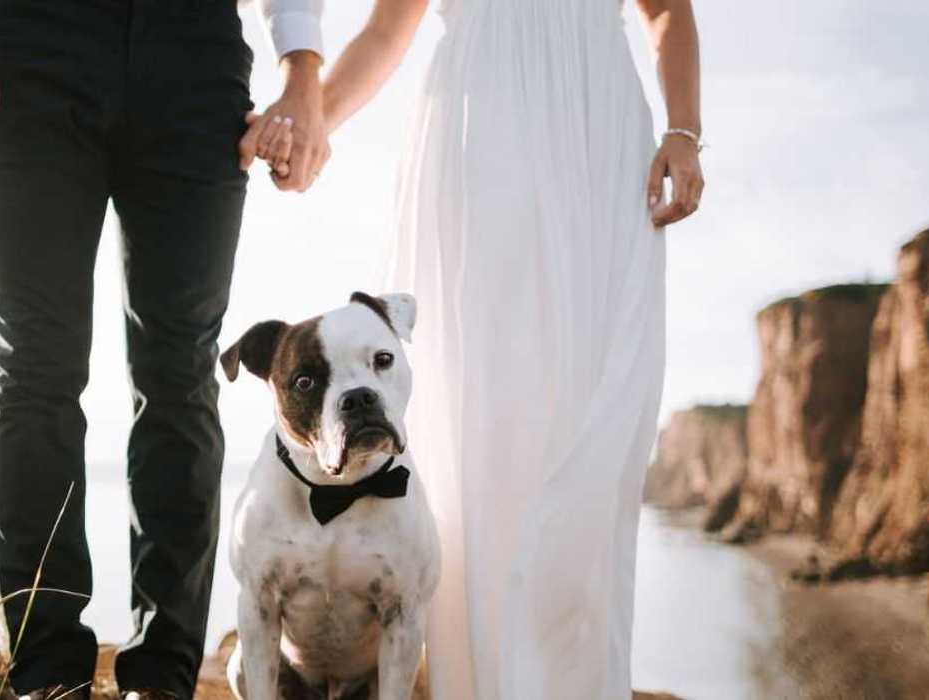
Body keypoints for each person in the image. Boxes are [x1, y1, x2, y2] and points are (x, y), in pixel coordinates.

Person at [252, 0, 703, 697]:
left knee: (588, 412)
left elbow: (667, 10)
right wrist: (316, 123)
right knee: (470, 409)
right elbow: (384, 31)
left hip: (594, 130)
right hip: (471, 135)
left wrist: (683, 129)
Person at [0, 0, 327, 697]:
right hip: (30, 45)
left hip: (195, 58)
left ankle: (161, 679)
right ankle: (48, 677)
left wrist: (303, 70)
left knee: (182, 372)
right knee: (35, 366)